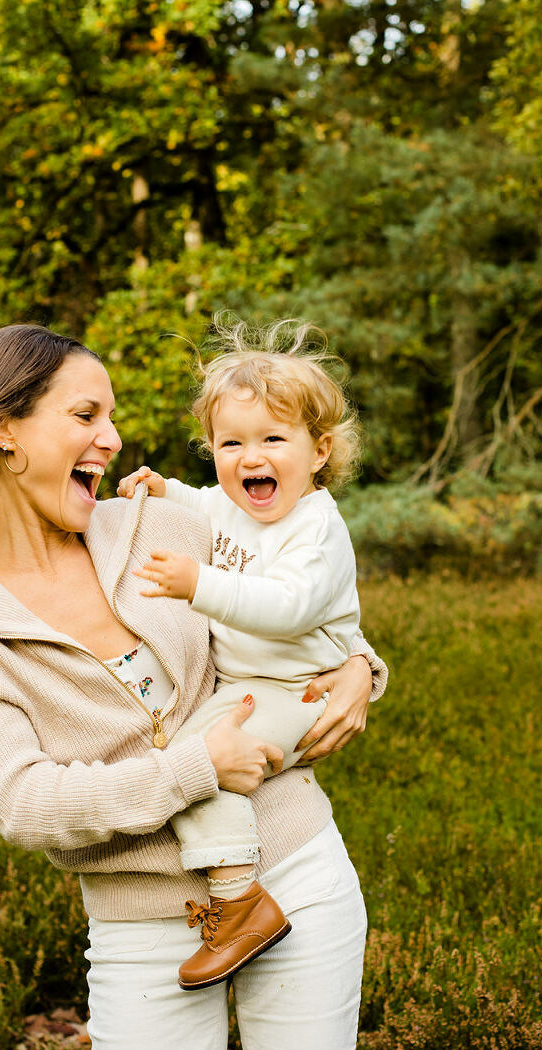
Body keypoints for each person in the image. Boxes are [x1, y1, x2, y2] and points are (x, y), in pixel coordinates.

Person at [0, 323, 386, 1050]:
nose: (112, 437)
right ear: (3, 429)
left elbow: (296, 603)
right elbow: (23, 801)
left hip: (296, 868)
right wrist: (196, 767)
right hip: (142, 926)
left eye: (111, 416)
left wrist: (360, 666)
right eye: (85, 415)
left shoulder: (159, 525)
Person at [115, 318, 365, 992]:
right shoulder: (234, 505)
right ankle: (236, 897)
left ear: (319, 450)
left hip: (297, 689)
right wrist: (165, 488)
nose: (250, 457)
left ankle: (238, 901)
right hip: (249, 683)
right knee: (190, 761)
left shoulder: (316, 528)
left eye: (272, 439)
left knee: (206, 767)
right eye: (231, 443)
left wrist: (198, 583)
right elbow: (204, 503)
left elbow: (288, 608)